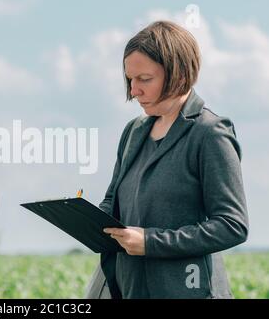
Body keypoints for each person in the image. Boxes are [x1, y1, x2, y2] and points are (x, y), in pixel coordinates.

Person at [99, 21, 249, 299]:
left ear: (179, 75)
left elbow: (232, 226)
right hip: (130, 289)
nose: (133, 90)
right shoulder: (133, 132)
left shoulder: (210, 134)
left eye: (144, 79)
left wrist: (150, 242)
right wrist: (86, 219)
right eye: (130, 79)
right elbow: (112, 203)